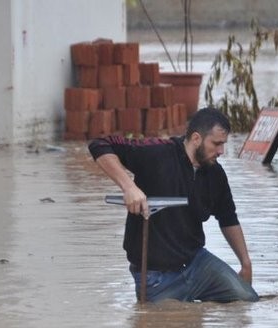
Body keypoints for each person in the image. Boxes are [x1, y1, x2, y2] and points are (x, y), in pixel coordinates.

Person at [88, 107, 258, 303]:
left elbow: (228, 218)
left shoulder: (215, 174)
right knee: (165, 326)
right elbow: (100, 144)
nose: (221, 151)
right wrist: (129, 187)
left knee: (246, 299)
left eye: (223, 144)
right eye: (217, 144)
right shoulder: (157, 152)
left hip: (198, 263)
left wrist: (245, 263)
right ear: (196, 138)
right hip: (155, 277)